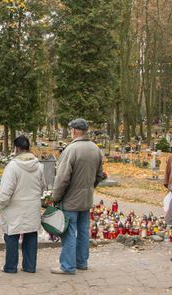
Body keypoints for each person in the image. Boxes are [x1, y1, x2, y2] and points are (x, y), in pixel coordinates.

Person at [51, 118, 103, 275]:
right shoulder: (95, 149)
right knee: (83, 231)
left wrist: (56, 197)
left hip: (71, 199)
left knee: (69, 232)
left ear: (74, 131)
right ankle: (82, 262)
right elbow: (100, 175)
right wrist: (89, 188)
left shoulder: (71, 150)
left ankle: (67, 265)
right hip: (86, 198)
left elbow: (62, 178)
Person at [0, 135, 46, 273]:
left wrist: (2, 203)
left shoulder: (13, 166)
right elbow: (42, 185)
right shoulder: (38, 166)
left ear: (16, 148)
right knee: (31, 234)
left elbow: (6, 190)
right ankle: (30, 266)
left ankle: (10, 267)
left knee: (12, 234)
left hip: (14, 206)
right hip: (32, 205)